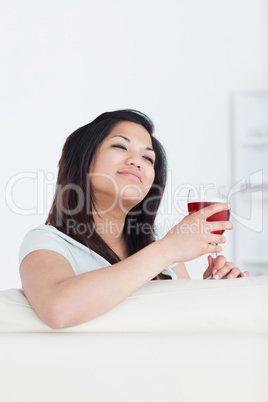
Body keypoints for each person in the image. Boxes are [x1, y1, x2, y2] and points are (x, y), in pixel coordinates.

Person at [19, 109, 250, 329]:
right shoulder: (47, 241)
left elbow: (184, 323)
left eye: (148, 159)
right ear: (83, 159)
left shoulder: (157, 241)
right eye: (120, 146)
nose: (137, 162)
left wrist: (213, 290)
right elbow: (58, 311)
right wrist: (167, 250)